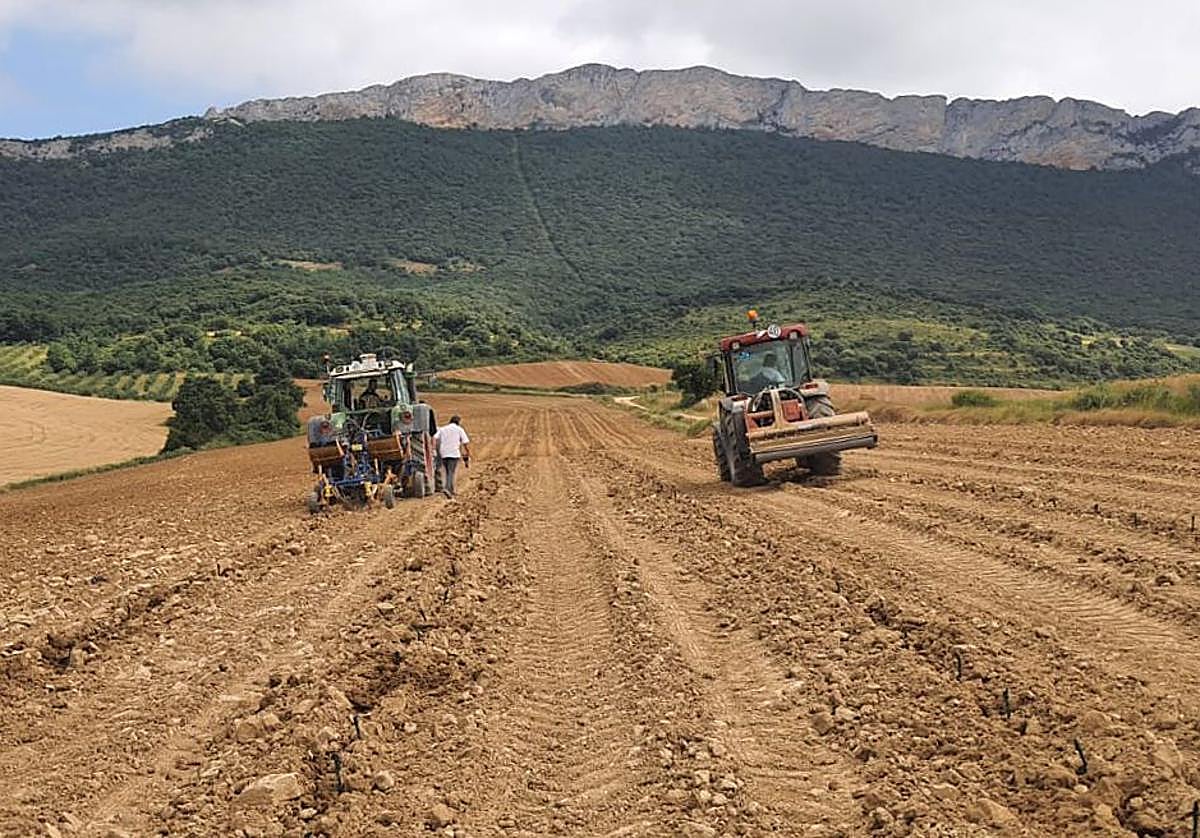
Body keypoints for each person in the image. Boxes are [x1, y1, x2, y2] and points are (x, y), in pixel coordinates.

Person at [433, 414, 471, 498]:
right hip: (454, 453)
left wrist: (434, 449)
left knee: (447, 472)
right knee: (451, 472)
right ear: (458, 422)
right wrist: (468, 452)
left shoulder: (443, 429)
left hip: (443, 453)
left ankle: (452, 490)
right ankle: (447, 489)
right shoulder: (459, 429)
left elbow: (435, 437)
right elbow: (465, 442)